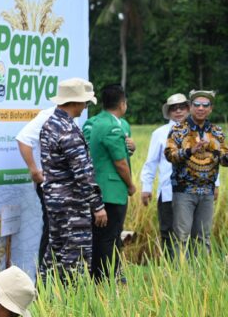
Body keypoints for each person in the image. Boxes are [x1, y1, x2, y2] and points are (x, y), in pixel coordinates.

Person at [39, 79, 108, 283]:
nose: (86, 106)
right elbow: (83, 174)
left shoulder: (50, 124)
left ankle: (43, 297)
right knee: (76, 258)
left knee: (55, 253)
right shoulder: (68, 130)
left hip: (54, 201)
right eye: (85, 102)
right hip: (72, 204)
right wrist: (98, 206)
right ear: (76, 102)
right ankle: (72, 305)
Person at [140, 94, 218, 258]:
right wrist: (146, 188)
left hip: (197, 189)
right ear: (168, 112)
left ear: (188, 109)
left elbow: (211, 159)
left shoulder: (201, 131)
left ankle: (197, 273)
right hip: (169, 192)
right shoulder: (159, 133)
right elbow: (151, 162)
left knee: (199, 234)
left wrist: (215, 183)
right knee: (170, 233)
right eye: (173, 108)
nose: (178, 111)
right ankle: (173, 273)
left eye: (182, 107)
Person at [164, 90, 228, 253]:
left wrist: (214, 149)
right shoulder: (178, 130)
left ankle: (201, 276)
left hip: (207, 191)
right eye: (197, 104)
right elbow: (169, 155)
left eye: (205, 105)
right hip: (184, 191)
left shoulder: (217, 132)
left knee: (203, 237)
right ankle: (180, 275)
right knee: (182, 236)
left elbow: (224, 159)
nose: (201, 108)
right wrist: (190, 151)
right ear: (191, 107)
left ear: (211, 109)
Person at [83, 84, 136, 282]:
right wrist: (130, 185)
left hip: (100, 189)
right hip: (111, 190)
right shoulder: (111, 126)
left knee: (106, 236)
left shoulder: (102, 123)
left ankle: (106, 275)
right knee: (109, 236)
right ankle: (106, 277)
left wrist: (131, 146)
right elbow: (120, 162)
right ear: (122, 104)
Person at [17, 106, 55, 267]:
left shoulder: (72, 117)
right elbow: (24, 139)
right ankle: (44, 283)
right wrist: (34, 170)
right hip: (49, 185)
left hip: (63, 187)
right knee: (52, 231)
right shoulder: (49, 116)